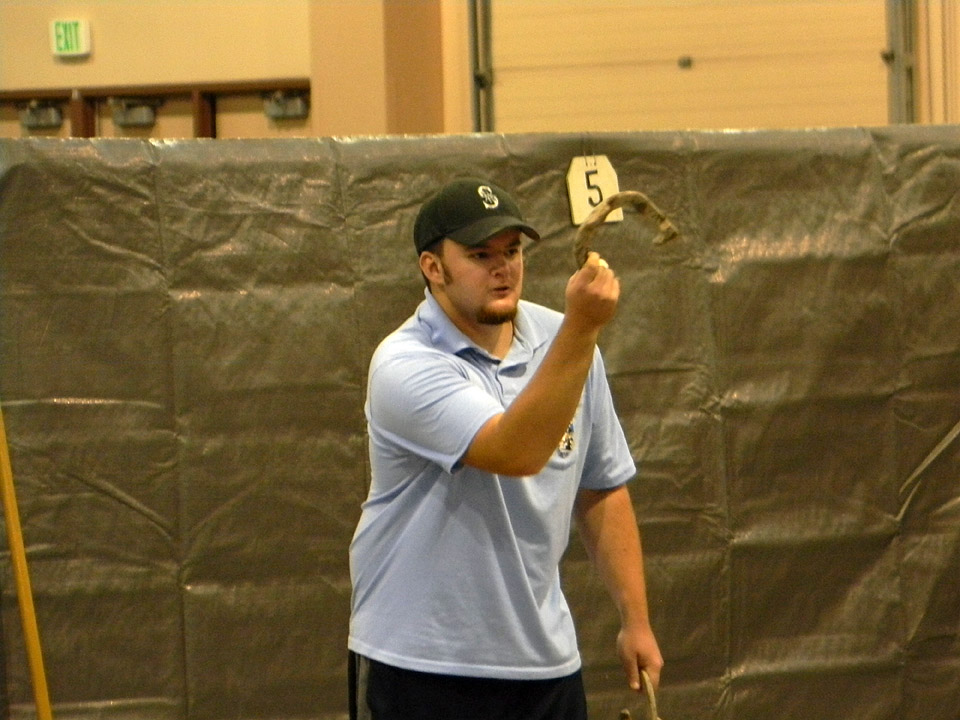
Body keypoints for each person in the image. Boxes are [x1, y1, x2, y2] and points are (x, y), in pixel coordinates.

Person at [348, 177, 662, 720]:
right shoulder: (405, 364)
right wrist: (584, 328)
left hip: (545, 668)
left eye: (513, 250)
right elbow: (515, 452)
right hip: (422, 667)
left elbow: (601, 485)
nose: (504, 267)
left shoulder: (562, 339)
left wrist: (635, 619)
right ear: (433, 268)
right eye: (480, 254)